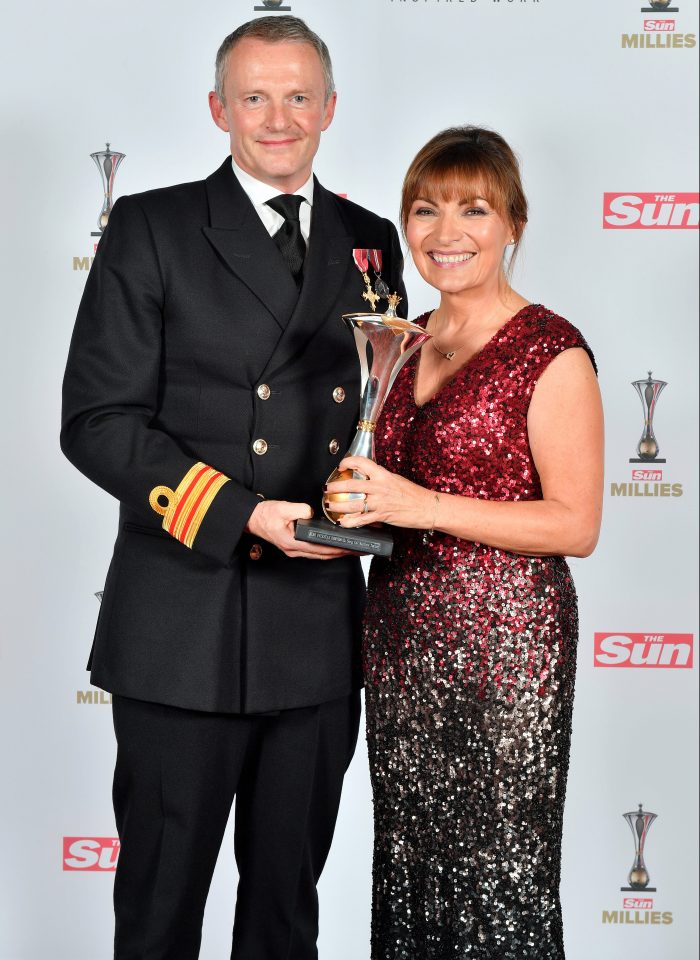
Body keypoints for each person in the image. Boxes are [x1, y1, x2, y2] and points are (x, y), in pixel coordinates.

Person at [60, 15, 405, 959]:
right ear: (219, 108)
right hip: (183, 622)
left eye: (299, 96)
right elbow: (98, 422)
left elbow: (379, 412)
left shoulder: (372, 239)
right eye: (255, 96)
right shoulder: (152, 225)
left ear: (331, 107)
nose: (279, 117)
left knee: (286, 914)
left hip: (315, 630)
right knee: (163, 910)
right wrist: (241, 511)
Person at [326, 126, 604, 958]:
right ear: (406, 227)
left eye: (473, 210)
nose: (448, 233)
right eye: (426, 210)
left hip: (505, 652)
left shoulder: (549, 351)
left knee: (498, 881)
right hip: (402, 644)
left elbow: (575, 524)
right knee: (411, 873)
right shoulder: (400, 342)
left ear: (513, 223)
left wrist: (421, 503)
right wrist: (357, 505)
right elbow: (392, 501)